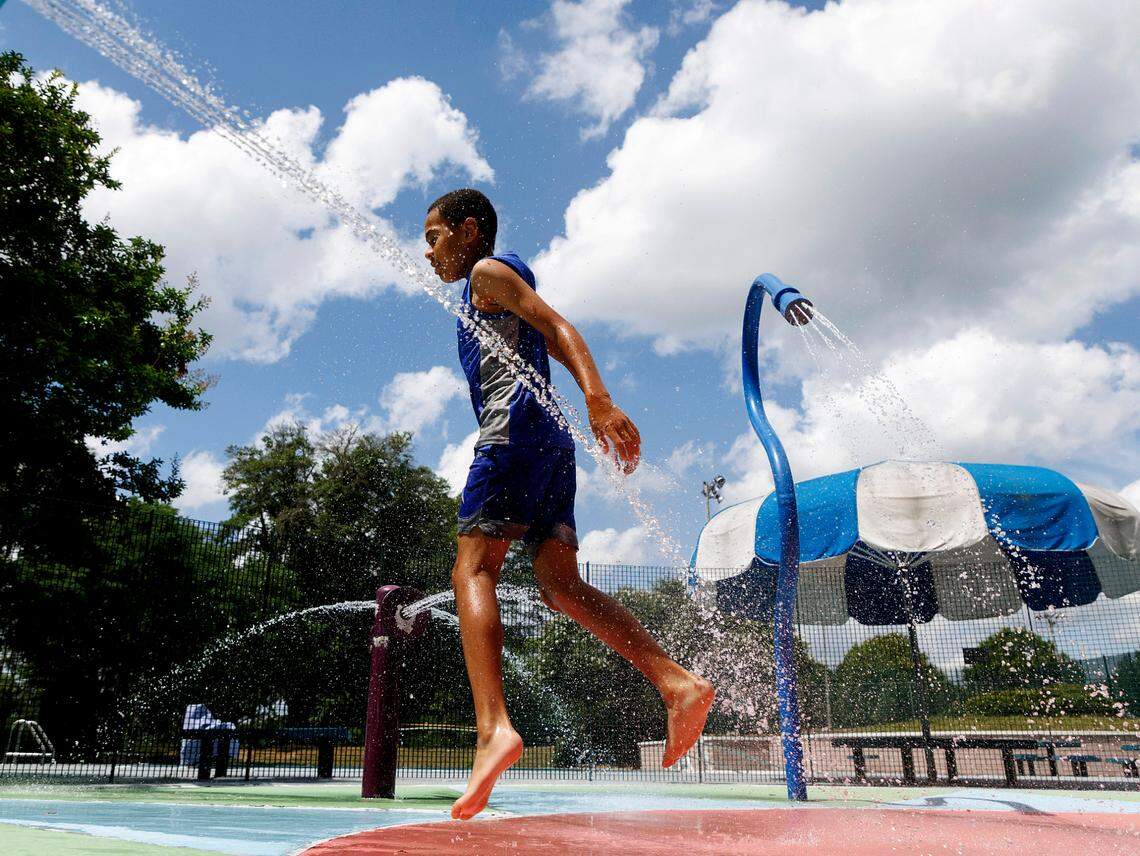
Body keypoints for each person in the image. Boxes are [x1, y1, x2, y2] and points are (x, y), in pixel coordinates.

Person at [424, 188, 715, 821]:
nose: (428, 252)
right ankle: (676, 682)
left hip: (510, 437)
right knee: (558, 585)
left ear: (468, 231)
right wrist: (590, 400)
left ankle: (492, 729)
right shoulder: (497, 292)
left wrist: (601, 402)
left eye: (434, 236)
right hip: (552, 444)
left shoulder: (486, 273)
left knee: (471, 571)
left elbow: (561, 327)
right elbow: (556, 342)